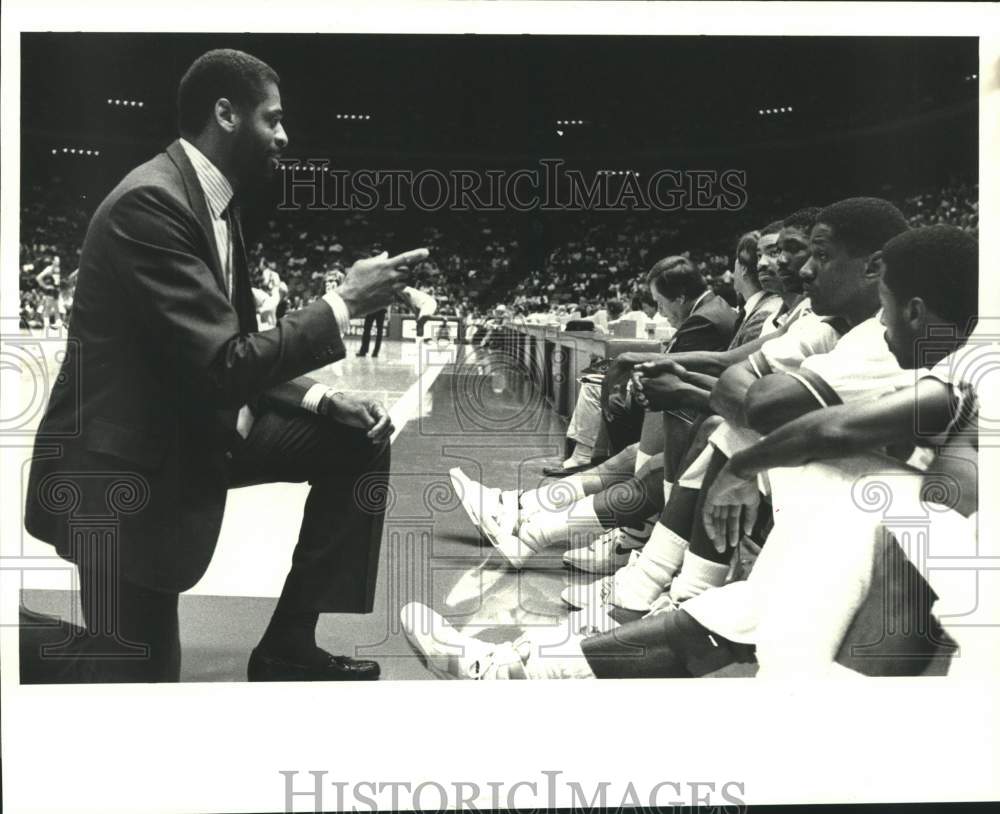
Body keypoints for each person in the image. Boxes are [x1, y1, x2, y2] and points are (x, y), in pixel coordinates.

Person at [23, 49, 427, 683]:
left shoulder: (217, 205)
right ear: (225, 114)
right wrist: (343, 302)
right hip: (124, 468)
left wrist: (323, 402)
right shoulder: (150, 205)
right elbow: (223, 365)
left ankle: (289, 646)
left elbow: (233, 345)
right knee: (134, 672)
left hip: (190, 433)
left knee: (360, 441)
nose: (285, 135)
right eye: (273, 118)